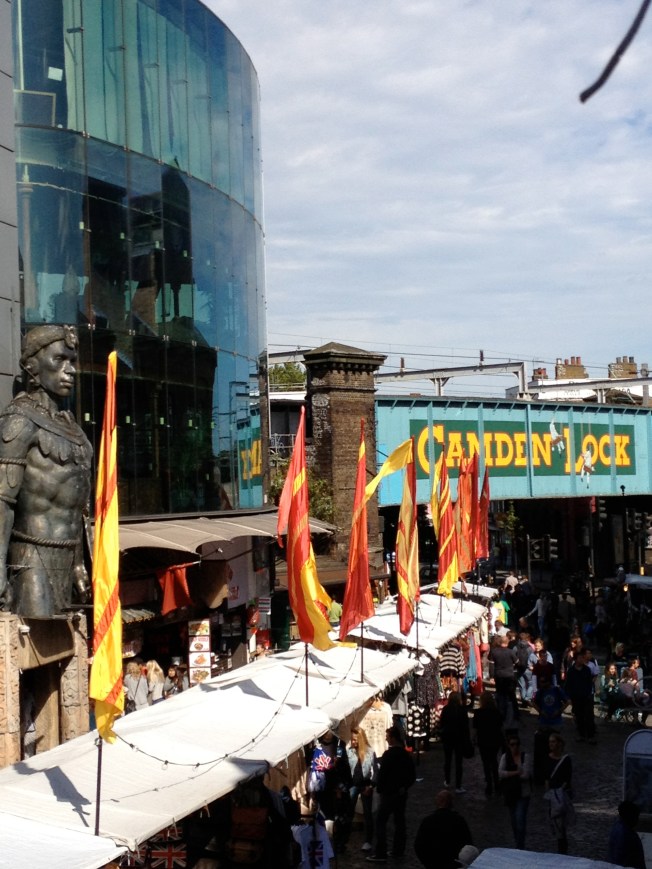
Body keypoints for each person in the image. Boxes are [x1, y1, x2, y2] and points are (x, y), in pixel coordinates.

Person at [0, 325, 93, 617]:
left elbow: (78, 506)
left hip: (68, 561)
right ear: (32, 367)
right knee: (32, 650)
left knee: (68, 652)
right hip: (30, 561)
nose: (71, 370)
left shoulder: (73, 428)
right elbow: (2, 502)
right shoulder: (18, 420)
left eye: (73, 361)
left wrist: (79, 563)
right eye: (60, 360)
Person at [366, 725, 415, 863]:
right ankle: (398, 850)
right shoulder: (406, 755)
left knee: (381, 822)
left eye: (387, 737)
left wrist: (379, 789)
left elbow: (382, 775)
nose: (386, 740)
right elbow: (411, 776)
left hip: (388, 794)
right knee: (400, 822)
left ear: (393, 738)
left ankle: (381, 852)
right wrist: (404, 787)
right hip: (400, 794)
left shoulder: (389, 755)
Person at [414, 789, 473, 869]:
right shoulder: (459, 820)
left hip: (434, 863)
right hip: (454, 864)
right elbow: (468, 845)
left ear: (440, 801)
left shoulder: (428, 821)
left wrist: (428, 863)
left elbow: (419, 846)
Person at [346, 726, 378, 852]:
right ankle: (344, 839)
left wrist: (371, 786)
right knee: (348, 812)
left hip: (366, 784)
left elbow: (375, 771)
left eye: (355, 739)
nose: (353, 742)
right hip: (353, 784)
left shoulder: (370, 752)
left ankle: (368, 841)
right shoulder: (349, 752)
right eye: (352, 739)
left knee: (367, 814)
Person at [498, 733, 533, 850]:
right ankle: (518, 843)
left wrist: (510, 774)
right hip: (511, 793)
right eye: (512, 744)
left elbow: (526, 774)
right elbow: (500, 773)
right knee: (514, 821)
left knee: (520, 820)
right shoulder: (505, 757)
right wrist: (516, 773)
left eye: (517, 744)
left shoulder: (525, 757)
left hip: (523, 794)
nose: (515, 747)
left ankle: (520, 847)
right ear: (509, 745)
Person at [544, 733, 574, 854]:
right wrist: (549, 794)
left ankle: (562, 851)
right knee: (556, 825)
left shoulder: (566, 760)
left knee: (561, 826)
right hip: (552, 796)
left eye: (553, 742)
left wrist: (558, 794)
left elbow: (567, 779)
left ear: (559, 743)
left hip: (561, 796)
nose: (551, 744)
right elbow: (546, 778)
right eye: (550, 742)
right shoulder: (547, 758)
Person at [439, 691, 472, 794]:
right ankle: (458, 785)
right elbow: (466, 727)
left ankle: (447, 781)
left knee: (447, 761)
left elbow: (442, 723)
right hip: (459, 739)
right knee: (458, 763)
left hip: (448, 738)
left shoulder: (446, 709)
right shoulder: (462, 710)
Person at [473, 691, 503, 797]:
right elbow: (500, 725)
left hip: (483, 740)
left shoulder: (478, 713)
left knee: (486, 763)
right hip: (495, 739)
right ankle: (497, 784)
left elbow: (475, 727)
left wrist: (474, 738)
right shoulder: (496, 712)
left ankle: (489, 785)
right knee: (494, 762)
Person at [564, 649, 596, 744]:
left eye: (583, 657)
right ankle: (581, 735)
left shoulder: (587, 670)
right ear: (576, 659)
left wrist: (588, 694)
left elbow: (589, 684)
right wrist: (569, 697)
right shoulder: (571, 671)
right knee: (579, 717)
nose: (582, 659)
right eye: (580, 657)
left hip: (586, 697)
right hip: (576, 698)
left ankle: (590, 736)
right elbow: (568, 685)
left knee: (589, 717)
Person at [607, 800, 646, 868]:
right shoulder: (625, 834)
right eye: (636, 816)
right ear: (630, 816)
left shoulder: (618, 828)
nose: (637, 820)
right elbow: (620, 860)